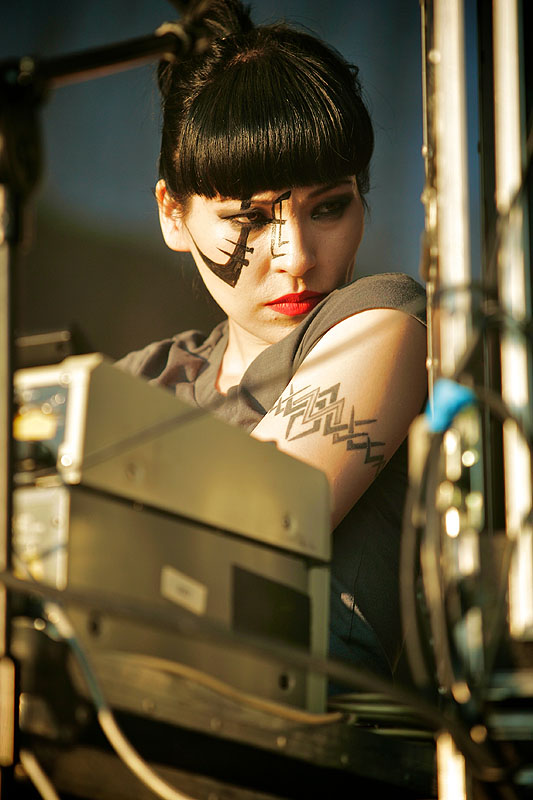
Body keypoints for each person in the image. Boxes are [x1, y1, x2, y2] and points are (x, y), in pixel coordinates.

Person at [116, 0, 427, 681]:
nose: (294, 255)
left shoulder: (387, 320)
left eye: (328, 207)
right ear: (173, 213)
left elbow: (250, 525)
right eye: (249, 218)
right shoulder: (136, 380)